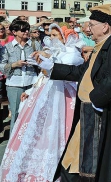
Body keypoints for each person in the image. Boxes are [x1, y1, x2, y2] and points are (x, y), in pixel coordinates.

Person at [34, 4, 111, 181]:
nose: (88, 28)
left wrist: (96, 97)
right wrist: (52, 68)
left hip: (99, 112)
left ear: (105, 26)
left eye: (91, 25)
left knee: (88, 162)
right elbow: (81, 72)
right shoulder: (99, 46)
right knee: (77, 158)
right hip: (88, 112)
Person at [0, 24, 84, 182]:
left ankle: (54, 165)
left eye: (55, 35)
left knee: (56, 132)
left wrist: (47, 60)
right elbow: (43, 77)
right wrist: (31, 91)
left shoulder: (72, 53)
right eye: (50, 35)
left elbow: (60, 69)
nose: (52, 38)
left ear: (65, 37)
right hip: (46, 96)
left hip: (63, 100)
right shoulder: (54, 52)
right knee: (37, 130)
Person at [0, 20, 41, 132]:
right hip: (14, 84)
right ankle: (14, 143)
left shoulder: (35, 44)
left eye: (27, 29)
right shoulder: (7, 47)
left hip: (32, 83)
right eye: (23, 30)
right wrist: (15, 64)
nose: (26, 32)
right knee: (16, 114)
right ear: (14, 32)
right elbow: (2, 66)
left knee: (32, 113)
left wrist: (37, 61)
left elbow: (43, 61)